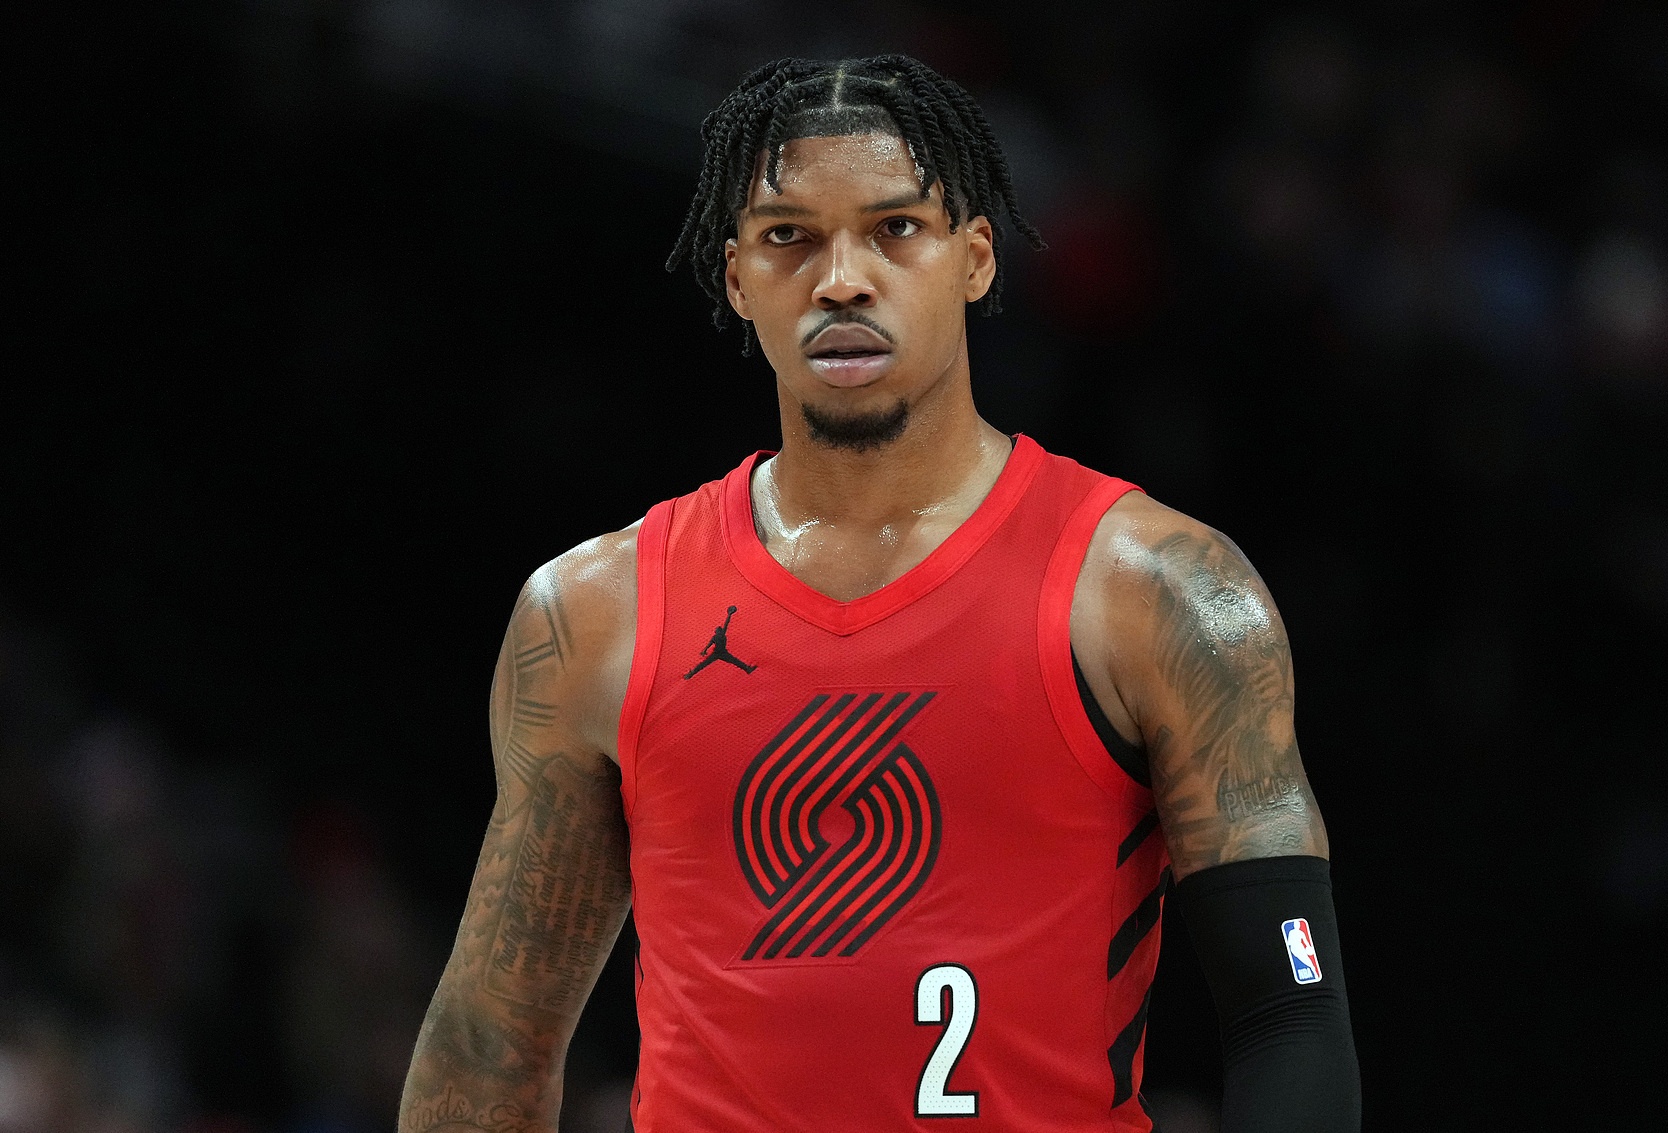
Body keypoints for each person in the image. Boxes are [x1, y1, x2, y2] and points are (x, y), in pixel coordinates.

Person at [398, 55, 1359, 1133]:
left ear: (975, 259)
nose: (841, 279)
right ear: (735, 279)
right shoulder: (592, 613)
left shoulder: (1161, 590)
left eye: (894, 229)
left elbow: (1289, 1013)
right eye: (789, 237)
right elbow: (490, 1043)